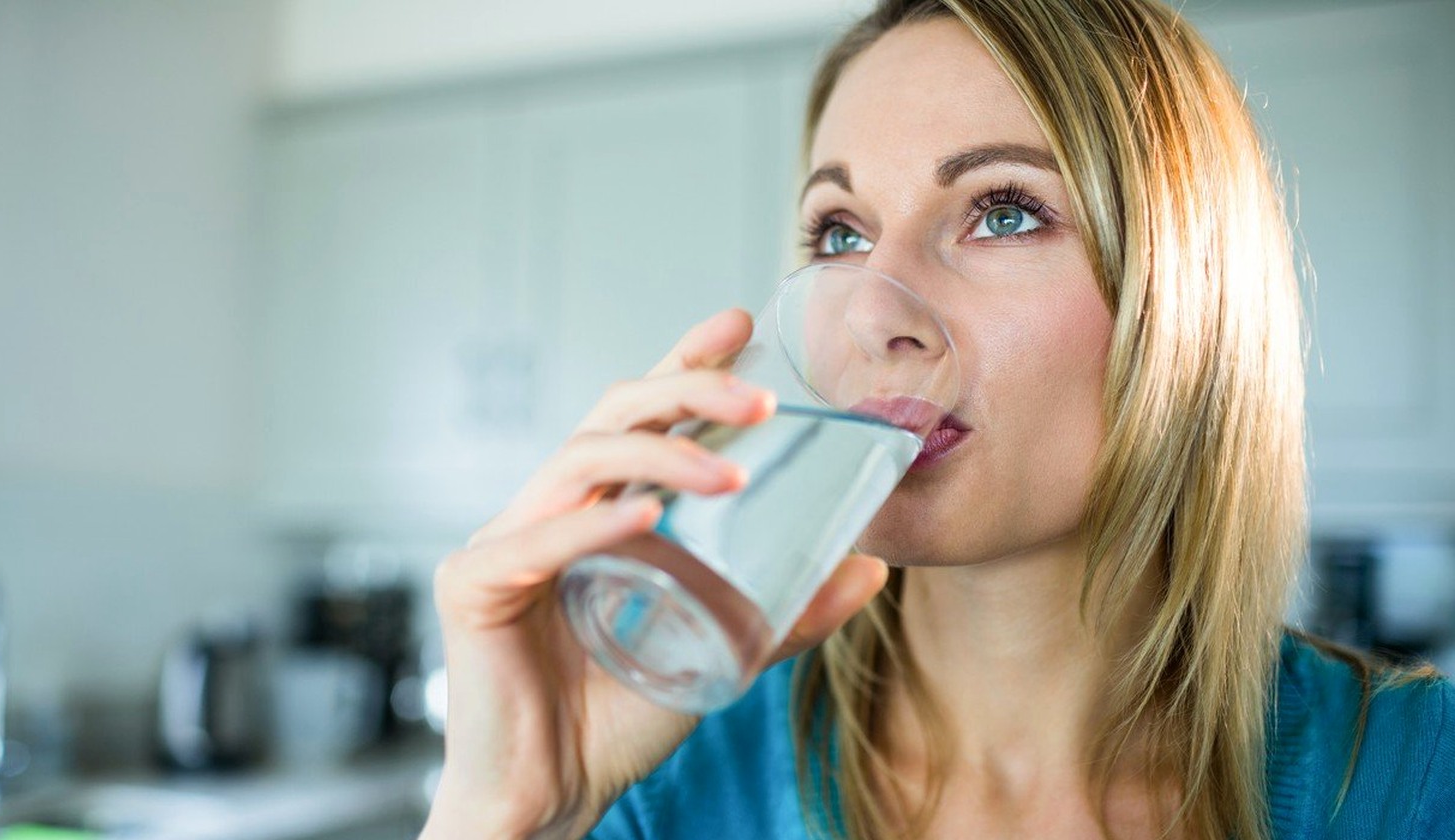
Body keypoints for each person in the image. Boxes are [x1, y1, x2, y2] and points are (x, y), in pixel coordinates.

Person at [420, 0, 1455, 837]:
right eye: (839, 232)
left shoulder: (1420, 777)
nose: (872, 307)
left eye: (1004, 211)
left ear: (1190, 293)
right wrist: (502, 816)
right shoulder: (663, 784)